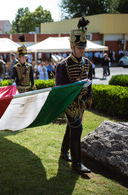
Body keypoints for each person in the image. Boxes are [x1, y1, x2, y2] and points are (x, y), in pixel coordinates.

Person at [55, 17, 92, 173]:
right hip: (69, 102)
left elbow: (90, 81)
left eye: (83, 48)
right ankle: (77, 163)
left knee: (71, 128)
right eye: (79, 48)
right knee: (77, 128)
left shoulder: (88, 63)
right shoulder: (62, 65)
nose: (82, 51)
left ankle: (64, 152)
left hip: (81, 102)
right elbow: (60, 87)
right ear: (71, 46)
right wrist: (74, 86)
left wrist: (88, 96)